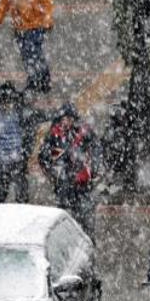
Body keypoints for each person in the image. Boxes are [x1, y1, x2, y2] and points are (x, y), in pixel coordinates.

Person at [0, 82, 49, 203]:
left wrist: (25, 153)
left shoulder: (20, 111)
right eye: (4, 102)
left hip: (16, 158)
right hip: (1, 159)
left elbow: (35, 120)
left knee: (20, 192)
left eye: (9, 102)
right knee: (1, 191)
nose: (7, 105)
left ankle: (19, 216)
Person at [39, 103, 102, 240]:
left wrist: (93, 168)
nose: (66, 121)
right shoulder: (53, 135)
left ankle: (88, 252)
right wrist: (55, 174)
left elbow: (97, 148)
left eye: (69, 118)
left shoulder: (83, 132)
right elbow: (43, 157)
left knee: (86, 226)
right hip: (64, 188)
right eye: (64, 118)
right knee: (66, 226)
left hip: (83, 186)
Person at [0, 0, 54, 93]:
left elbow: (47, 1)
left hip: (35, 25)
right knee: (27, 53)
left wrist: (47, 19)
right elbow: (5, 0)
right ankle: (38, 78)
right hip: (20, 26)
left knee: (32, 51)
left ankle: (40, 78)